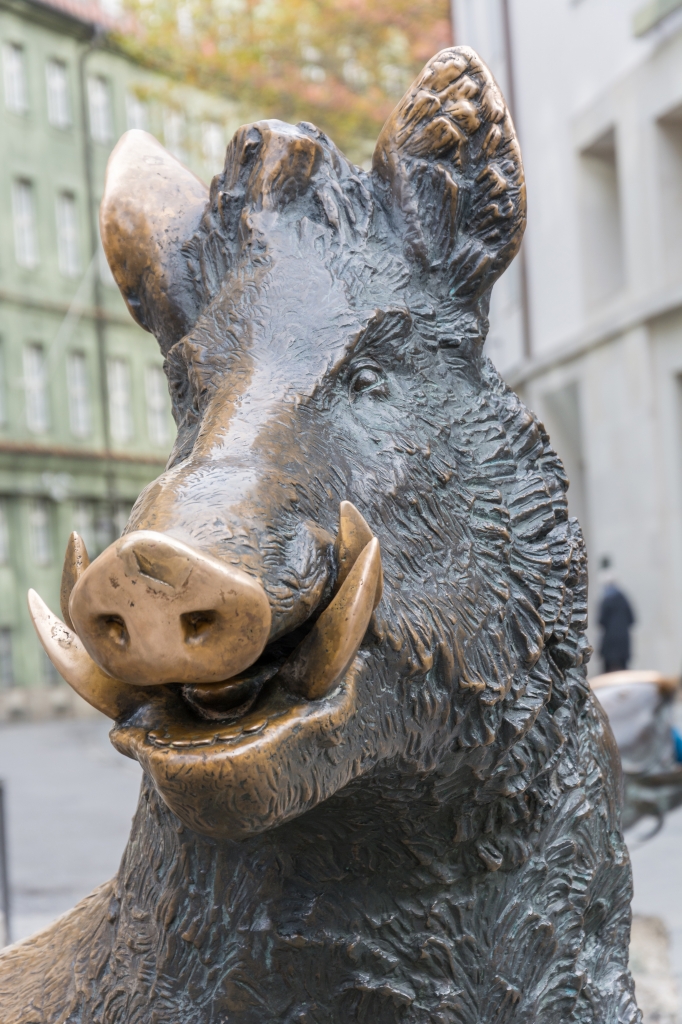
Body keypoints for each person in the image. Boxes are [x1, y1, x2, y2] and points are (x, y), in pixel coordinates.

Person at [598, 557, 635, 673]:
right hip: (623, 646)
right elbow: (632, 619)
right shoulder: (623, 599)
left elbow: (600, 621)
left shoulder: (606, 601)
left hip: (610, 647)